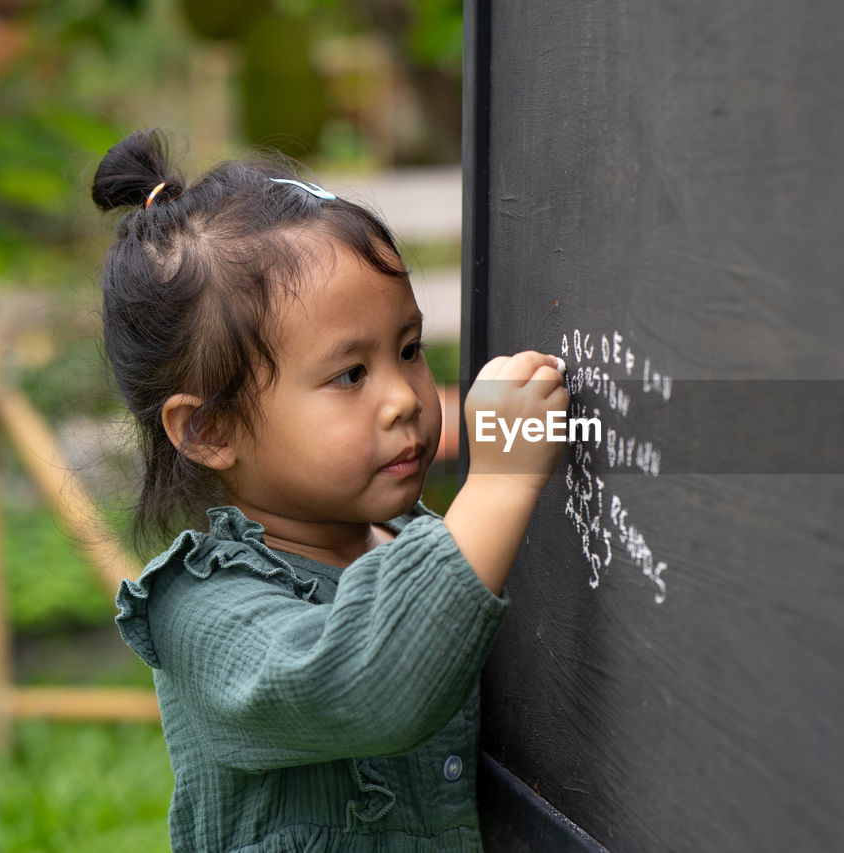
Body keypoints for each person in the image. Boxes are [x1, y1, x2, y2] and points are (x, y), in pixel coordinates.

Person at [95, 129, 568, 851]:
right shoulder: (204, 615)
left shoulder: (415, 538)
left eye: (409, 349)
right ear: (211, 429)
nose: (404, 398)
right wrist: (501, 478)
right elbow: (366, 681)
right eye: (350, 374)